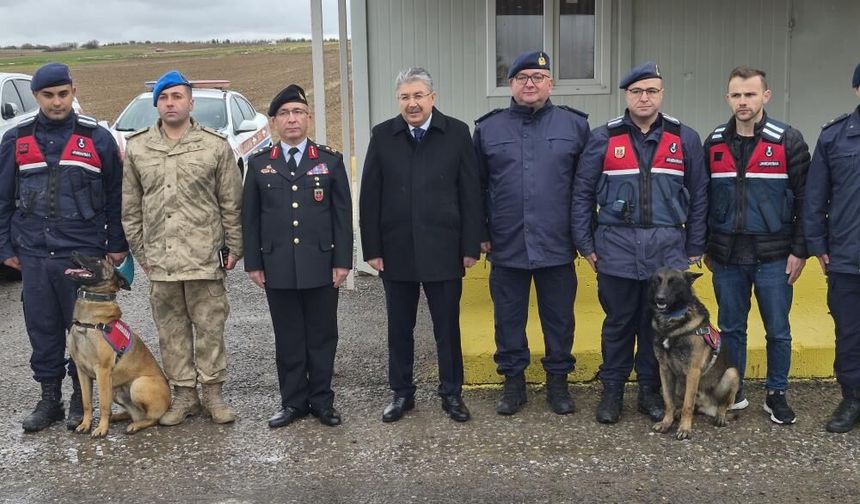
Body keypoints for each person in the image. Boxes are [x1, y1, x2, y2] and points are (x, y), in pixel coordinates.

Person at [572, 61, 708, 424]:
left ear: (661, 94)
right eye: (636, 91)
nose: (644, 97)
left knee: (656, 326)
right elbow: (582, 193)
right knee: (617, 323)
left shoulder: (684, 138)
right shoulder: (603, 137)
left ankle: (650, 391)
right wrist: (585, 244)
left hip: (666, 255)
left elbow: (701, 194)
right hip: (615, 250)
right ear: (626, 96)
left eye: (651, 91)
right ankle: (613, 391)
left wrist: (694, 246)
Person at [0, 63, 128, 432]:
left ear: (73, 92)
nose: (56, 102)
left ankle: (79, 397)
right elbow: (3, 198)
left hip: (82, 254)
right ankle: (49, 399)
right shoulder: (17, 139)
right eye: (48, 95)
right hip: (35, 254)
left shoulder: (97, 138)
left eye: (63, 94)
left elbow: (115, 195)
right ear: (36, 97)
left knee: (85, 328)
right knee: (42, 328)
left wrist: (117, 244)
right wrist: (5, 246)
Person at [360, 67, 483, 423]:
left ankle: (451, 393)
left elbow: (470, 194)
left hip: (444, 248)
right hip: (396, 249)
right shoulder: (383, 135)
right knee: (400, 327)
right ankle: (401, 393)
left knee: (447, 326)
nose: (412, 103)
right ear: (398, 101)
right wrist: (372, 249)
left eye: (418, 96)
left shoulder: (457, 133)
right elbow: (370, 196)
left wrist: (470, 245)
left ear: (433, 97)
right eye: (405, 97)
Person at [122, 70, 243, 425]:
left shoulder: (214, 146)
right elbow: (130, 208)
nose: (170, 103)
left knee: (209, 327)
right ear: (156, 104)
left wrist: (234, 246)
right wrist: (142, 254)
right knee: (171, 330)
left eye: (177, 96)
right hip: (161, 260)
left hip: (205, 257)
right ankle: (184, 395)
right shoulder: (139, 147)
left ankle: (213, 394)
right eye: (164, 98)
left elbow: (231, 202)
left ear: (190, 102)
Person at [473, 51, 589, 416]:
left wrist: (584, 237)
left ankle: (558, 383)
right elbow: (475, 188)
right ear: (510, 84)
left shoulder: (575, 127)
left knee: (560, 319)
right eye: (522, 77)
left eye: (538, 77)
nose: (530, 84)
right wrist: (480, 232)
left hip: (557, 243)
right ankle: (513, 382)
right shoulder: (489, 128)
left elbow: (586, 188)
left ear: (550, 83)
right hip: (507, 243)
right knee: (508, 319)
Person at [704, 66, 809, 425]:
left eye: (750, 94)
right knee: (730, 329)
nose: (743, 101)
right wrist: (706, 246)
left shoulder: (787, 140)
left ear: (766, 96)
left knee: (778, 330)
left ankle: (776, 395)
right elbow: (702, 199)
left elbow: (807, 202)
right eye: (736, 95)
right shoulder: (715, 142)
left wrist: (799, 251)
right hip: (727, 256)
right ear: (727, 98)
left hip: (775, 256)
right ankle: (735, 392)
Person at [243, 84, 353, 428]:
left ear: (308, 118)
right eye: (284, 114)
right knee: (288, 337)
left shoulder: (329, 161)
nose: (292, 120)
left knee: (322, 336)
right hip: (277, 266)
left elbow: (341, 216)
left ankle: (322, 401)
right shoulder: (259, 165)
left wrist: (343, 261)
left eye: (298, 113)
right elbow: (250, 218)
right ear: (274, 122)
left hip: (321, 263)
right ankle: (292, 403)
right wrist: (254, 263)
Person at [804, 62, 860, 433]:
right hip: (847, 258)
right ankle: (853, 399)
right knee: (851, 334)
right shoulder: (835, 137)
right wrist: (818, 245)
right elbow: (814, 198)